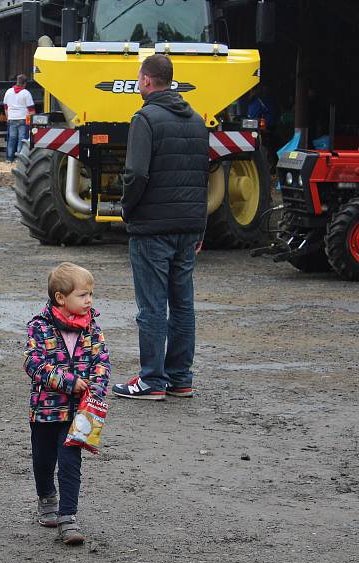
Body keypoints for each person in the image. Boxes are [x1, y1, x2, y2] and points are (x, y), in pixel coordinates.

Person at [113, 54, 208, 401]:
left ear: (148, 81)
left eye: (139, 78)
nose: (138, 84)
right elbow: (202, 178)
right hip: (188, 227)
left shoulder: (145, 118)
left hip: (152, 228)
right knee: (182, 304)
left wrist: (127, 208)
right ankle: (180, 377)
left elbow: (136, 173)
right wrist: (201, 227)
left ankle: (152, 380)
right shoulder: (197, 121)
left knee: (152, 305)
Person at [24, 262, 110, 545]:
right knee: (43, 459)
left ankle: (68, 517)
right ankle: (47, 495)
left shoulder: (92, 329)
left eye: (91, 295)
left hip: (80, 413)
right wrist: (66, 381)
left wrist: (95, 389)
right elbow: (33, 363)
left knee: (71, 462)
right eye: (83, 295)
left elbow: (102, 363)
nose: (89, 301)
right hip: (45, 411)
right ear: (61, 298)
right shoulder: (38, 327)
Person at [3, 73, 35, 163]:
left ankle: (9, 158)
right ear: (25, 83)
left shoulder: (8, 92)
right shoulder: (26, 93)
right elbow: (31, 109)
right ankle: (19, 159)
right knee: (22, 139)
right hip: (23, 119)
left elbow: (5, 107)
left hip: (12, 118)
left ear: (17, 81)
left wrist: (8, 118)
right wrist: (33, 121)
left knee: (12, 139)